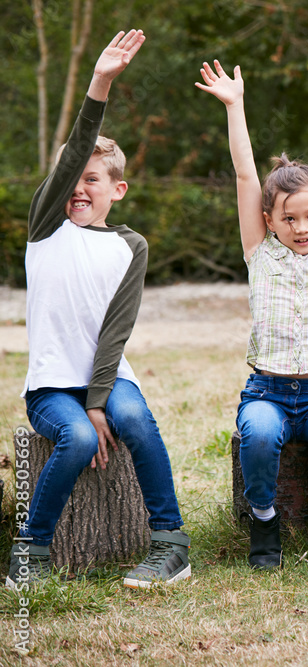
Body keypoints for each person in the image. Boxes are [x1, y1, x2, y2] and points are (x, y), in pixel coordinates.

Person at [6, 30, 192, 590]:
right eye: (72, 179)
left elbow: (117, 331)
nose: (78, 189)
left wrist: (99, 398)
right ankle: (32, 552)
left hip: (106, 378)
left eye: (92, 180)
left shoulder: (130, 247)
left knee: (133, 418)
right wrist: (101, 82)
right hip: (49, 388)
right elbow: (74, 150)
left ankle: (170, 543)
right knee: (80, 440)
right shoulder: (46, 228)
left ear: (119, 189)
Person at [195, 60, 308, 570]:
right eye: (288, 218)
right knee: (260, 434)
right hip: (267, 391)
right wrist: (235, 106)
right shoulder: (260, 253)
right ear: (268, 220)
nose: (302, 227)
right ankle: (265, 522)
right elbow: (246, 173)